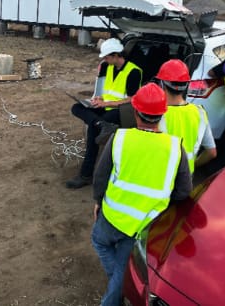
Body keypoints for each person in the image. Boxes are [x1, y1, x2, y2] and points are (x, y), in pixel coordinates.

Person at [91, 82, 192, 306]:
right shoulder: (175, 147)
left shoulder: (120, 138)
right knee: (124, 267)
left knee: (99, 242)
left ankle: (114, 292)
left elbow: (100, 178)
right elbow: (184, 191)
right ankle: (119, 279)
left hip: (110, 218)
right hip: (144, 227)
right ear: (163, 114)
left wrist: (98, 202)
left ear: (135, 111)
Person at [66, 38, 142, 189]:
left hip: (122, 110)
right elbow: (109, 91)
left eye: (107, 57)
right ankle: (100, 123)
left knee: (93, 131)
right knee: (76, 107)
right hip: (105, 106)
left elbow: (133, 99)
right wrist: (100, 98)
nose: (105, 60)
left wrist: (107, 103)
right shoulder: (109, 67)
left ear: (116, 55)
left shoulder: (133, 71)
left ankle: (85, 175)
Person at [155, 59, 217, 173]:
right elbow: (211, 152)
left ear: (162, 84)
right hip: (185, 178)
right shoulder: (199, 112)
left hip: (160, 176)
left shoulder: (157, 114)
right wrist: (191, 166)